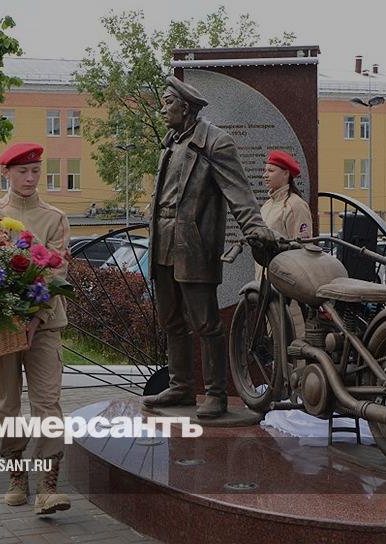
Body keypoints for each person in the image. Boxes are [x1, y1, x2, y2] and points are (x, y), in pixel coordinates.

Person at [142, 76, 274, 419]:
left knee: (206, 322)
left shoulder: (215, 142)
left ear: (186, 107)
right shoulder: (170, 144)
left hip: (193, 244)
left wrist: (255, 228)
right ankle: (181, 386)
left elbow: (239, 193)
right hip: (163, 241)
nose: (162, 110)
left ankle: (215, 393)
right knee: (171, 320)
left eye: (167, 103)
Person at [0, 142, 73, 516]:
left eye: (35, 171)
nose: (30, 178)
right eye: (22, 172)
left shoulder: (55, 218)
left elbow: (55, 273)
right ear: (6, 173)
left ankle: (48, 486)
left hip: (44, 326)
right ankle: (17, 475)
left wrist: (34, 320)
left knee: (47, 402)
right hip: (1, 329)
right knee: (6, 404)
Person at [259, 150, 313, 336]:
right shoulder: (267, 205)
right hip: (267, 284)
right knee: (275, 340)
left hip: (288, 288)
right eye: (265, 170)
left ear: (285, 174)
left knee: (293, 337)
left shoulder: (295, 205)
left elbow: (303, 247)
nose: (265, 175)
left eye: (271, 170)